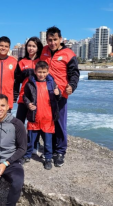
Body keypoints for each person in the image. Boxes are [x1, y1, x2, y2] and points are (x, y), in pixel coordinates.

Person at [40, 26, 80, 167]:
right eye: (50, 40)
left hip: (60, 95)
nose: (52, 43)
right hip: (44, 94)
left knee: (60, 123)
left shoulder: (69, 54)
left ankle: (61, 151)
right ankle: (49, 149)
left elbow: (74, 73)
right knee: (47, 122)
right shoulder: (43, 51)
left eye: (55, 40)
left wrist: (72, 86)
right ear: (46, 40)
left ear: (60, 39)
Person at [21, 61, 61, 170]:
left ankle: (48, 158)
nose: (41, 74)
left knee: (48, 142)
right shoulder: (30, 83)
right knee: (30, 139)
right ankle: (27, 155)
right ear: (35, 71)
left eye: (44, 72)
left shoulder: (52, 83)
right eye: (39, 72)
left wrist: (58, 94)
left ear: (48, 72)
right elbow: (25, 97)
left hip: (48, 118)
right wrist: (28, 104)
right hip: (34, 117)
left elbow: (58, 98)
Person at [14, 37, 43, 124]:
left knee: (35, 123)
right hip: (23, 96)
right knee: (19, 123)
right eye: (29, 46)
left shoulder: (41, 61)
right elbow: (17, 80)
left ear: (38, 48)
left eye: (34, 46)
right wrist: (14, 96)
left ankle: (32, 138)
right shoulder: (21, 61)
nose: (31, 48)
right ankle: (20, 138)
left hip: (38, 96)